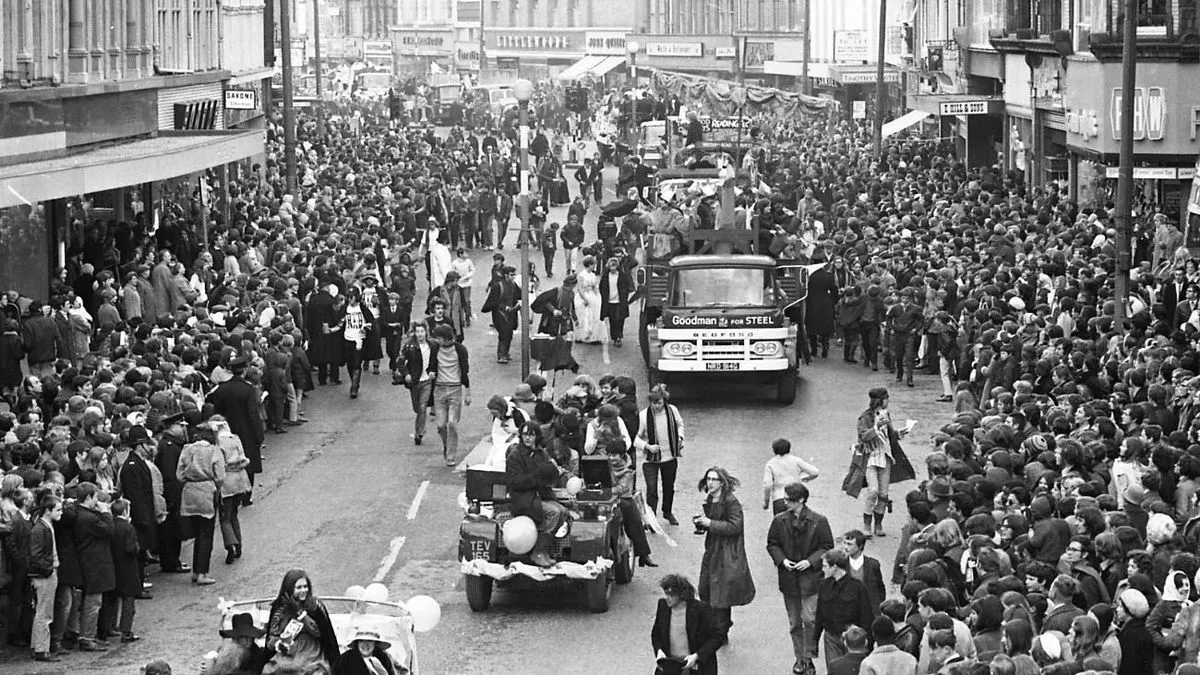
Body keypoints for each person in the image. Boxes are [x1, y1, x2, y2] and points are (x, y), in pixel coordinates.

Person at [767, 481, 835, 675]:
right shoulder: (780, 520)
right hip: (789, 579)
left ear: (801, 500)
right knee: (795, 622)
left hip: (811, 579)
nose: (785, 502)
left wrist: (811, 561)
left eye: (789, 500)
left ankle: (808, 658)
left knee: (810, 619)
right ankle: (800, 659)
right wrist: (782, 560)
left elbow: (827, 546)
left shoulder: (819, 521)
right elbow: (772, 544)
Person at [694, 466, 756, 644]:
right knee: (705, 590)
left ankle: (721, 632)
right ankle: (714, 627)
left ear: (722, 482)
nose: (710, 482)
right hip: (712, 550)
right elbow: (714, 525)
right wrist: (701, 524)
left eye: (714, 479)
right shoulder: (711, 498)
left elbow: (735, 527)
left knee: (721, 595)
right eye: (708, 479)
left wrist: (710, 523)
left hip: (726, 554)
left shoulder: (731, 501)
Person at [505, 422, 569, 568]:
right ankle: (538, 551)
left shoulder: (542, 453)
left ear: (536, 436)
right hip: (524, 498)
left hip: (540, 496)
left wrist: (553, 471)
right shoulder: (515, 456)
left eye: (531, 434)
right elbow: (514, 481)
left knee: (564, 512)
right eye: (525, 434)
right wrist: (536, 478)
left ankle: (544, 550)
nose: (528, 438)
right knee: (554, 512)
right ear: (521, 435)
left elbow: (549, 475)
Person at [855, 388, 916, 537]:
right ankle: (866, 524)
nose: (888, 401)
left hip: (885, 457)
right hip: (870, 458)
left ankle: (878, 523)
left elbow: (889, 434)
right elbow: (863, 436)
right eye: (886, 398)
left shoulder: (886, 414)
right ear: (879, 400)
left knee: (883, 494)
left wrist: (900, 432)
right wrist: (876, 427)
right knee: (873, 490)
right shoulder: (865, 417)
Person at [263, 569, 340, 675]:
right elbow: (272, 636)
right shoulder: (280, 607)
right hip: (288, 652)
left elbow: (322, 633)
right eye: (299, 587)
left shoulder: (315, 605)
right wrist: (279, 644)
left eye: (305, 586)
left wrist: (300, 613)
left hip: (311, 651)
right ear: (290, 588)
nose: (303, 590)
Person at [209, 357, 265, 500]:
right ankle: (247, 495)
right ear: (245, 370)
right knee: (247, 462)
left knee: (228, 462)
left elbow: (217, 413)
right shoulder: (248, 390)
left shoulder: (221, 389)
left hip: (226, 430)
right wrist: (259, 435)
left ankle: (232, 493)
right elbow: (253, 414)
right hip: (246, 431)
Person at [177, 421, 225, 586]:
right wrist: (215, 485)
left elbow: (179, 475)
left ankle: (195, 571)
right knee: (206, 534)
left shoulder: (187, 449)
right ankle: (202, 572)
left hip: (189, 492)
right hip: (206, 491)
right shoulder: (213, 451)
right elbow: (220, 476)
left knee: (197, 532)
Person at [813, 548, 875, 670]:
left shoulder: (857, 587)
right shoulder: (824, 586)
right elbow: (819, 614)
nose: (823, 569)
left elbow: (866, 616)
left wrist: (869, 644)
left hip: (853, 638)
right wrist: (814, 640)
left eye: (825, 566)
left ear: (835, 567)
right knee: (834, 668)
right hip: (831, 637)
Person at [651, 574, 722, 675]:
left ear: (682, 594)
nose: (667, 598)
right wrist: (659, 651)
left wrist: (697, 656)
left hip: (695, 668)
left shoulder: (701, 610)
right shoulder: (663, 607)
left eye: (671, 595)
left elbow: (717, 638)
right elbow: (656, 635)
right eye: (666, 594)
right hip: (671, 667)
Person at [635, 384, 685, 525]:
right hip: (650, 460)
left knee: (669, 487)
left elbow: (680, 424)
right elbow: (636, 439)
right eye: (653, 403)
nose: (656, 406)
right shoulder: (644, 416)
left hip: (670, 457)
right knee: (652, 490)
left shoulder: (672, 411)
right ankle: (651, 518)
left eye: (659, 403)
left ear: (664, 401)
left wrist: (680, 438)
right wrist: (648, 447)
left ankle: (667, 512)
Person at [74, 482, 114, 651]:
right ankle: (87, 637)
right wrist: (105, 512)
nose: (97, 501)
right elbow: (109, 531)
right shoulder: (89, 518)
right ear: (89, 497)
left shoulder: (82, 514)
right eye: (95, 497)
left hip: (91, 560)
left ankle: (89, 635)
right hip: (93, 563)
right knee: (93, 602)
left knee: (93, 601)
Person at [427, 324, 471, 466]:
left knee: (452, 423)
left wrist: (468, 392)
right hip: (439, 390)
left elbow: (465, 372)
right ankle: (447, 444)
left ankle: (450, 455)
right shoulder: (435, 349)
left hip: (455, 390)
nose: (437, 341)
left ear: (446, 338)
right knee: (440, 425)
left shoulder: (460, 350)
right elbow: (431, 366)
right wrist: (431, 372)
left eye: (439, 338)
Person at [27, 489, 62, 662]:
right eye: (58, 510)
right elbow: (35, 555)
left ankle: (37, 646)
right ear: (47, 510)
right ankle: (42, 649)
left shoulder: (46, 527)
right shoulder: (40, 530)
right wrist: (48, 569)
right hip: (44, 575)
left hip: (46, 573)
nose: (61, 513)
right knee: (44, 613)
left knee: (42, 612)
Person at [212, 415, 251, 565]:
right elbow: (243, 457)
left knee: (224, 517)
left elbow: (219, 464)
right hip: (240, 480)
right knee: (234, 513)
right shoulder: (235, 438)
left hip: (226, 482)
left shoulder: (217, 443)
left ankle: (230, 546)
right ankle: (239, 545)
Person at [399, 322, 435, 445]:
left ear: (426, 332)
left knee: (423, 407)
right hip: (414, 382)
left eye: (422, 331)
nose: (420, 334)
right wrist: (406, 373)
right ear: (414, 333)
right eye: (418, 331)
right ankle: (420, 426)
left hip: (427, 381)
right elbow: (400, 361)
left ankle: (419, 433)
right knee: (417, 408)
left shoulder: (432, 345)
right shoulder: (409, 346)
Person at [762, 438, 819, 515]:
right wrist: (805, 478)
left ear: (774, 450)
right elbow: (814, 472)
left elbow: (767, 485)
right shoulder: (796, 460)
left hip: (779, 499)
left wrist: (766, 502)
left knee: (781, 524)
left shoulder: (771, 464)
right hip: (796, 499)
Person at [480, 265, 520, 364]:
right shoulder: (498, 286)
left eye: (514, 275)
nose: (513, 277)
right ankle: (501, 354)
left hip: (511, 313)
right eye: (511, 275)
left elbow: (518, 295)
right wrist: (503, 307)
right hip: (500, 313)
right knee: (504, 333)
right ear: (506, 275)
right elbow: (493, 301)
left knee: (509, 333)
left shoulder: (513, 285)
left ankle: (506, 352)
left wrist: (517, 305)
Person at [842, 529, 887, 617]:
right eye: (845, 543)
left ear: (860, 546)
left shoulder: (873, 565)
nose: (846, 547)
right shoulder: (842, 564)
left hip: (869, 612)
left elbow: (880, 588)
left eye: (850, 544)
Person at [1116, 588, 1154, 675]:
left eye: (1121, 606)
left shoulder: (1131, 635)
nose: (1117, 609)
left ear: (1129, 610)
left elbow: (1130, 666)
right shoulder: (1141, 630)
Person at [599, 256, 635, 347]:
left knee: (620, 319)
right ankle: (614, 337)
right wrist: (604, 297)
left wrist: (624, 297)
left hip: (620, 301)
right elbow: (601, 288)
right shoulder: (605, 276)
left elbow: (627, 287)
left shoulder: (622, 276)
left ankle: (619, 336)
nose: (613, 269)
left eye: (614, 267)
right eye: (611, 267)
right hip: (610, 301)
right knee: (613, 320)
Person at [332, 627, 396, 675]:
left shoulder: (384, 657)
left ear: (375, 643)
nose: (365, 645)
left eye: (369, 640)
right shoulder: (345, 659)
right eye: (361, 640)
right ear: (357, 643)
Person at [573, 256, 605, 344]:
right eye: (593, 264)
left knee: (593, 316)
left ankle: (593, 337)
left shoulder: (593, 275)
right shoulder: (581, 275)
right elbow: (579, 288)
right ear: (589, 264)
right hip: (583, 296)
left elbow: (595, 287)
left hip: (592, 295)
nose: (594, 266)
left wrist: (598, 296)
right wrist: (585, 299)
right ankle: (580, 336)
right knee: (583, 316)